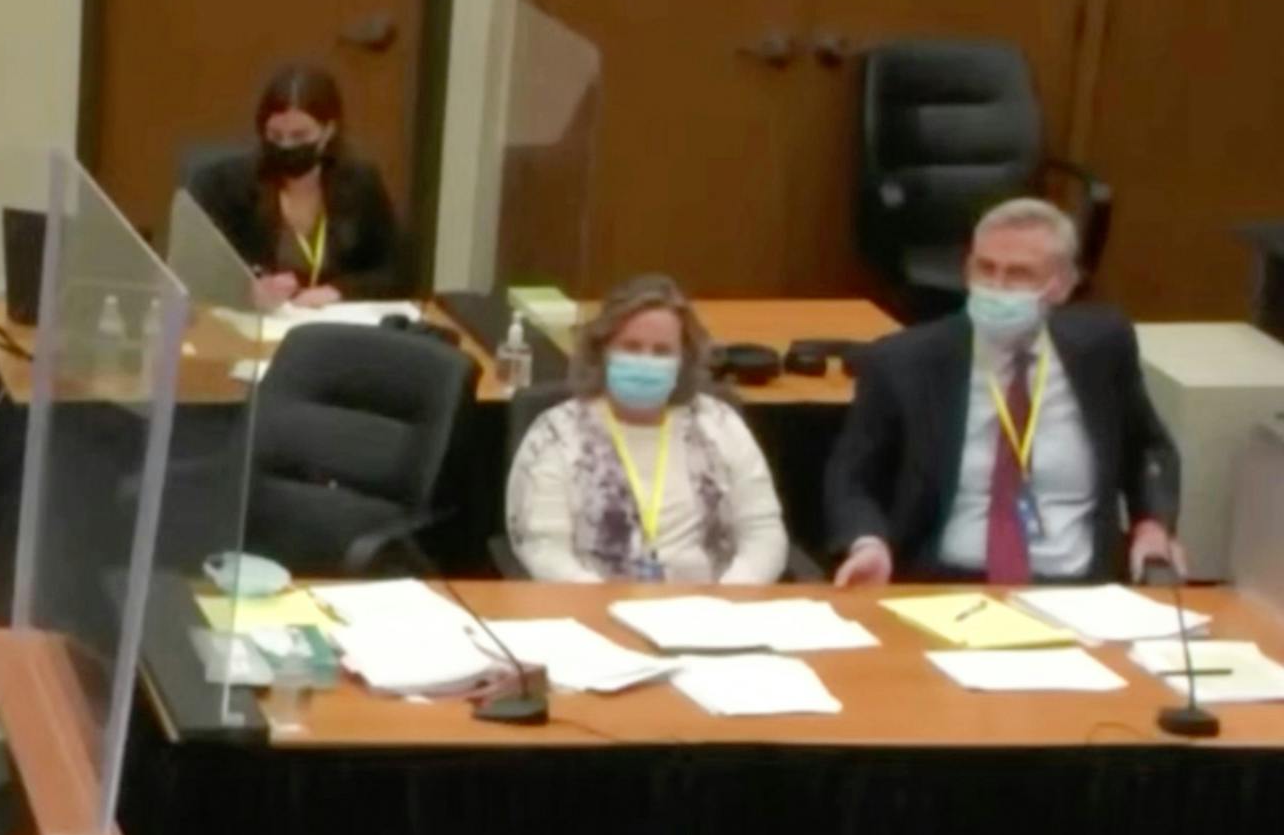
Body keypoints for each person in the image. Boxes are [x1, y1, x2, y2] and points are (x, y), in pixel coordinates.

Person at [828, 198, 1180, 587]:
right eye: (985, 268)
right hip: (946, 584)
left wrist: (1152, 526)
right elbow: (852, 479)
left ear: (1061, 285)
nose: (996, 287)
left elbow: (1148, 449)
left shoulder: (1102, 347)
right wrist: (868, 542)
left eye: (1019, 275)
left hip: (1078, 589)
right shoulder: (903, 363)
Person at [506, 274, 789, 584]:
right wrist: (600, 605)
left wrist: (729, 599)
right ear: (602, 352)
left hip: (710, 614)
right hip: (593, 610)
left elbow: (764, 535)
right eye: (631, 347)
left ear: (684, 360)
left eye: (662, 352)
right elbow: (545, 551)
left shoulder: (719, 424)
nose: (646, 360)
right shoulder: (555, 434)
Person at [188, 62, 405, 305]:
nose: (286, 146)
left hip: (335, 324)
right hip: (254, 325)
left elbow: (393, 271)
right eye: (275, 136)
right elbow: (195, 270)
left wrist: (338, 291)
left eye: (299, 136)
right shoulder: (226, 186)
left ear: (328, 131)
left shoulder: (360, 184)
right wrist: (247, 290)